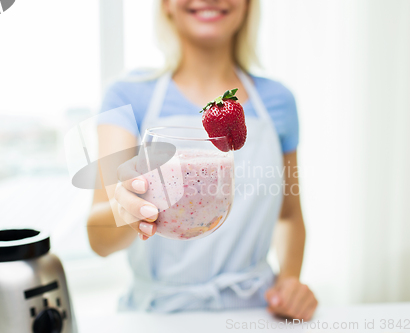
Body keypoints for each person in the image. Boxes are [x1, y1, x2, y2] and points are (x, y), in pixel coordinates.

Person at [87, 0, 318, 320]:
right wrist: (128, 210)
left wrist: (290, 279)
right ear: (166, 4)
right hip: (159, 317)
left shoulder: (278, 101)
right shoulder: (127, 95)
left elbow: (289, 214)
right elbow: (98, 238)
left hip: (256, 311)